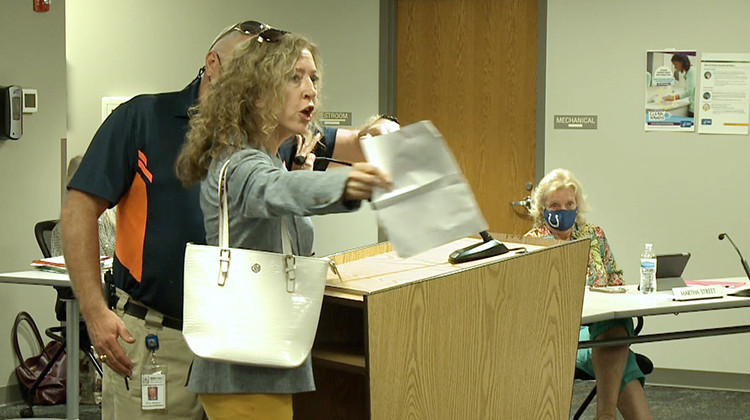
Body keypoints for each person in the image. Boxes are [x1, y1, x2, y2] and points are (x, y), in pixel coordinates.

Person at [61, 20, 398, 420]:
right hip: (160, 338)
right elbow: (273, 189)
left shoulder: (275, 141)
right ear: (220, 67)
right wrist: (95, 311)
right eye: (278, 73)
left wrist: (381, 130)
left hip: (240, 344)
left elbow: (351, 143)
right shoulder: (149, 120)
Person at [175, 29, 391, 419]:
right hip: (243, 373)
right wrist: (349, 183)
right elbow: (275, 188)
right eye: (294, 77)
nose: (309, 90)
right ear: (257, 93)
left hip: (264, 366)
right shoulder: (238, 163)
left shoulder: (270, 157)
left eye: (313, 78)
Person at [525, 169, 652, 420]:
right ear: (543, 210)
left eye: (569, 204)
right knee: (617, 352)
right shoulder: (533, 243)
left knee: (613, 326)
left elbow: (615, 280)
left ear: (577, 206)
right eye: (555, 205)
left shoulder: (594, 234)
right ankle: (605, 414)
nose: (563, 210)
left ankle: (605, 415)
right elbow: (530, 299)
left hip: (602, 324)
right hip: (560, 332)